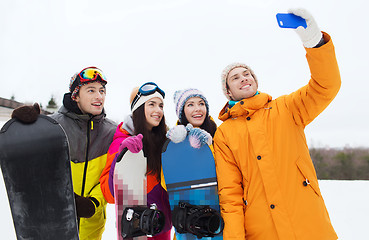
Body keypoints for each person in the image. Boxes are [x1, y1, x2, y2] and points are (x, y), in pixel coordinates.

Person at [213, 9, 340, 240]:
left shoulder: (287, 108)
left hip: (308, 222)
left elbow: (326, 86)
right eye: (236, 77)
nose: (244, 78)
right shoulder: (224, 134)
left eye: (247, 74)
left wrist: (314, 42)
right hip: (262, 229)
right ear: (228, 91)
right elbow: (230, 193)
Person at [12, 67, 117, 240]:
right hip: (55, 224)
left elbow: (110, 175)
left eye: (102, 90)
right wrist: (25, 125)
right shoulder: (52, 126)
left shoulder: (112, 132)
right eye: (91, 90)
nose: (99, 96)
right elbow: (32, 166)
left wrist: (93, 203)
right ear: (75, 96)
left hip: (92, 226)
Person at [100, 82, 172, 240]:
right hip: (137, 228)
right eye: (151, 104)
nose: (158, 110)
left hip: (161, 225)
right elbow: (109, 194)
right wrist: (122, 155)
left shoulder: (164, 142)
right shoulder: (121, 141)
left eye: (161, 106)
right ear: (138, 109)